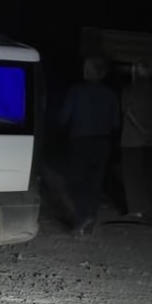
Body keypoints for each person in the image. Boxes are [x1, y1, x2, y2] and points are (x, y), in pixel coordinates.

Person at [51, 57, 118, 233]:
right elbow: (115, 123)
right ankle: (91, 218)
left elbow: (64, 117)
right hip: (102, 142)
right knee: (94, 183)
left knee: (77, 182)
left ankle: (81, 219)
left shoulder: (77, 91)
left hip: (80, 141)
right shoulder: (110, 94)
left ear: (90, 71)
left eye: (86, 68)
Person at [119, 62, 152, 220]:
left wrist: (141, 128)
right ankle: (150, 206)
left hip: (131, 139)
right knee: (147, 174)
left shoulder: (129, 91)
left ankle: (136, 208)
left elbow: (126, 112)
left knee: (131, 174)